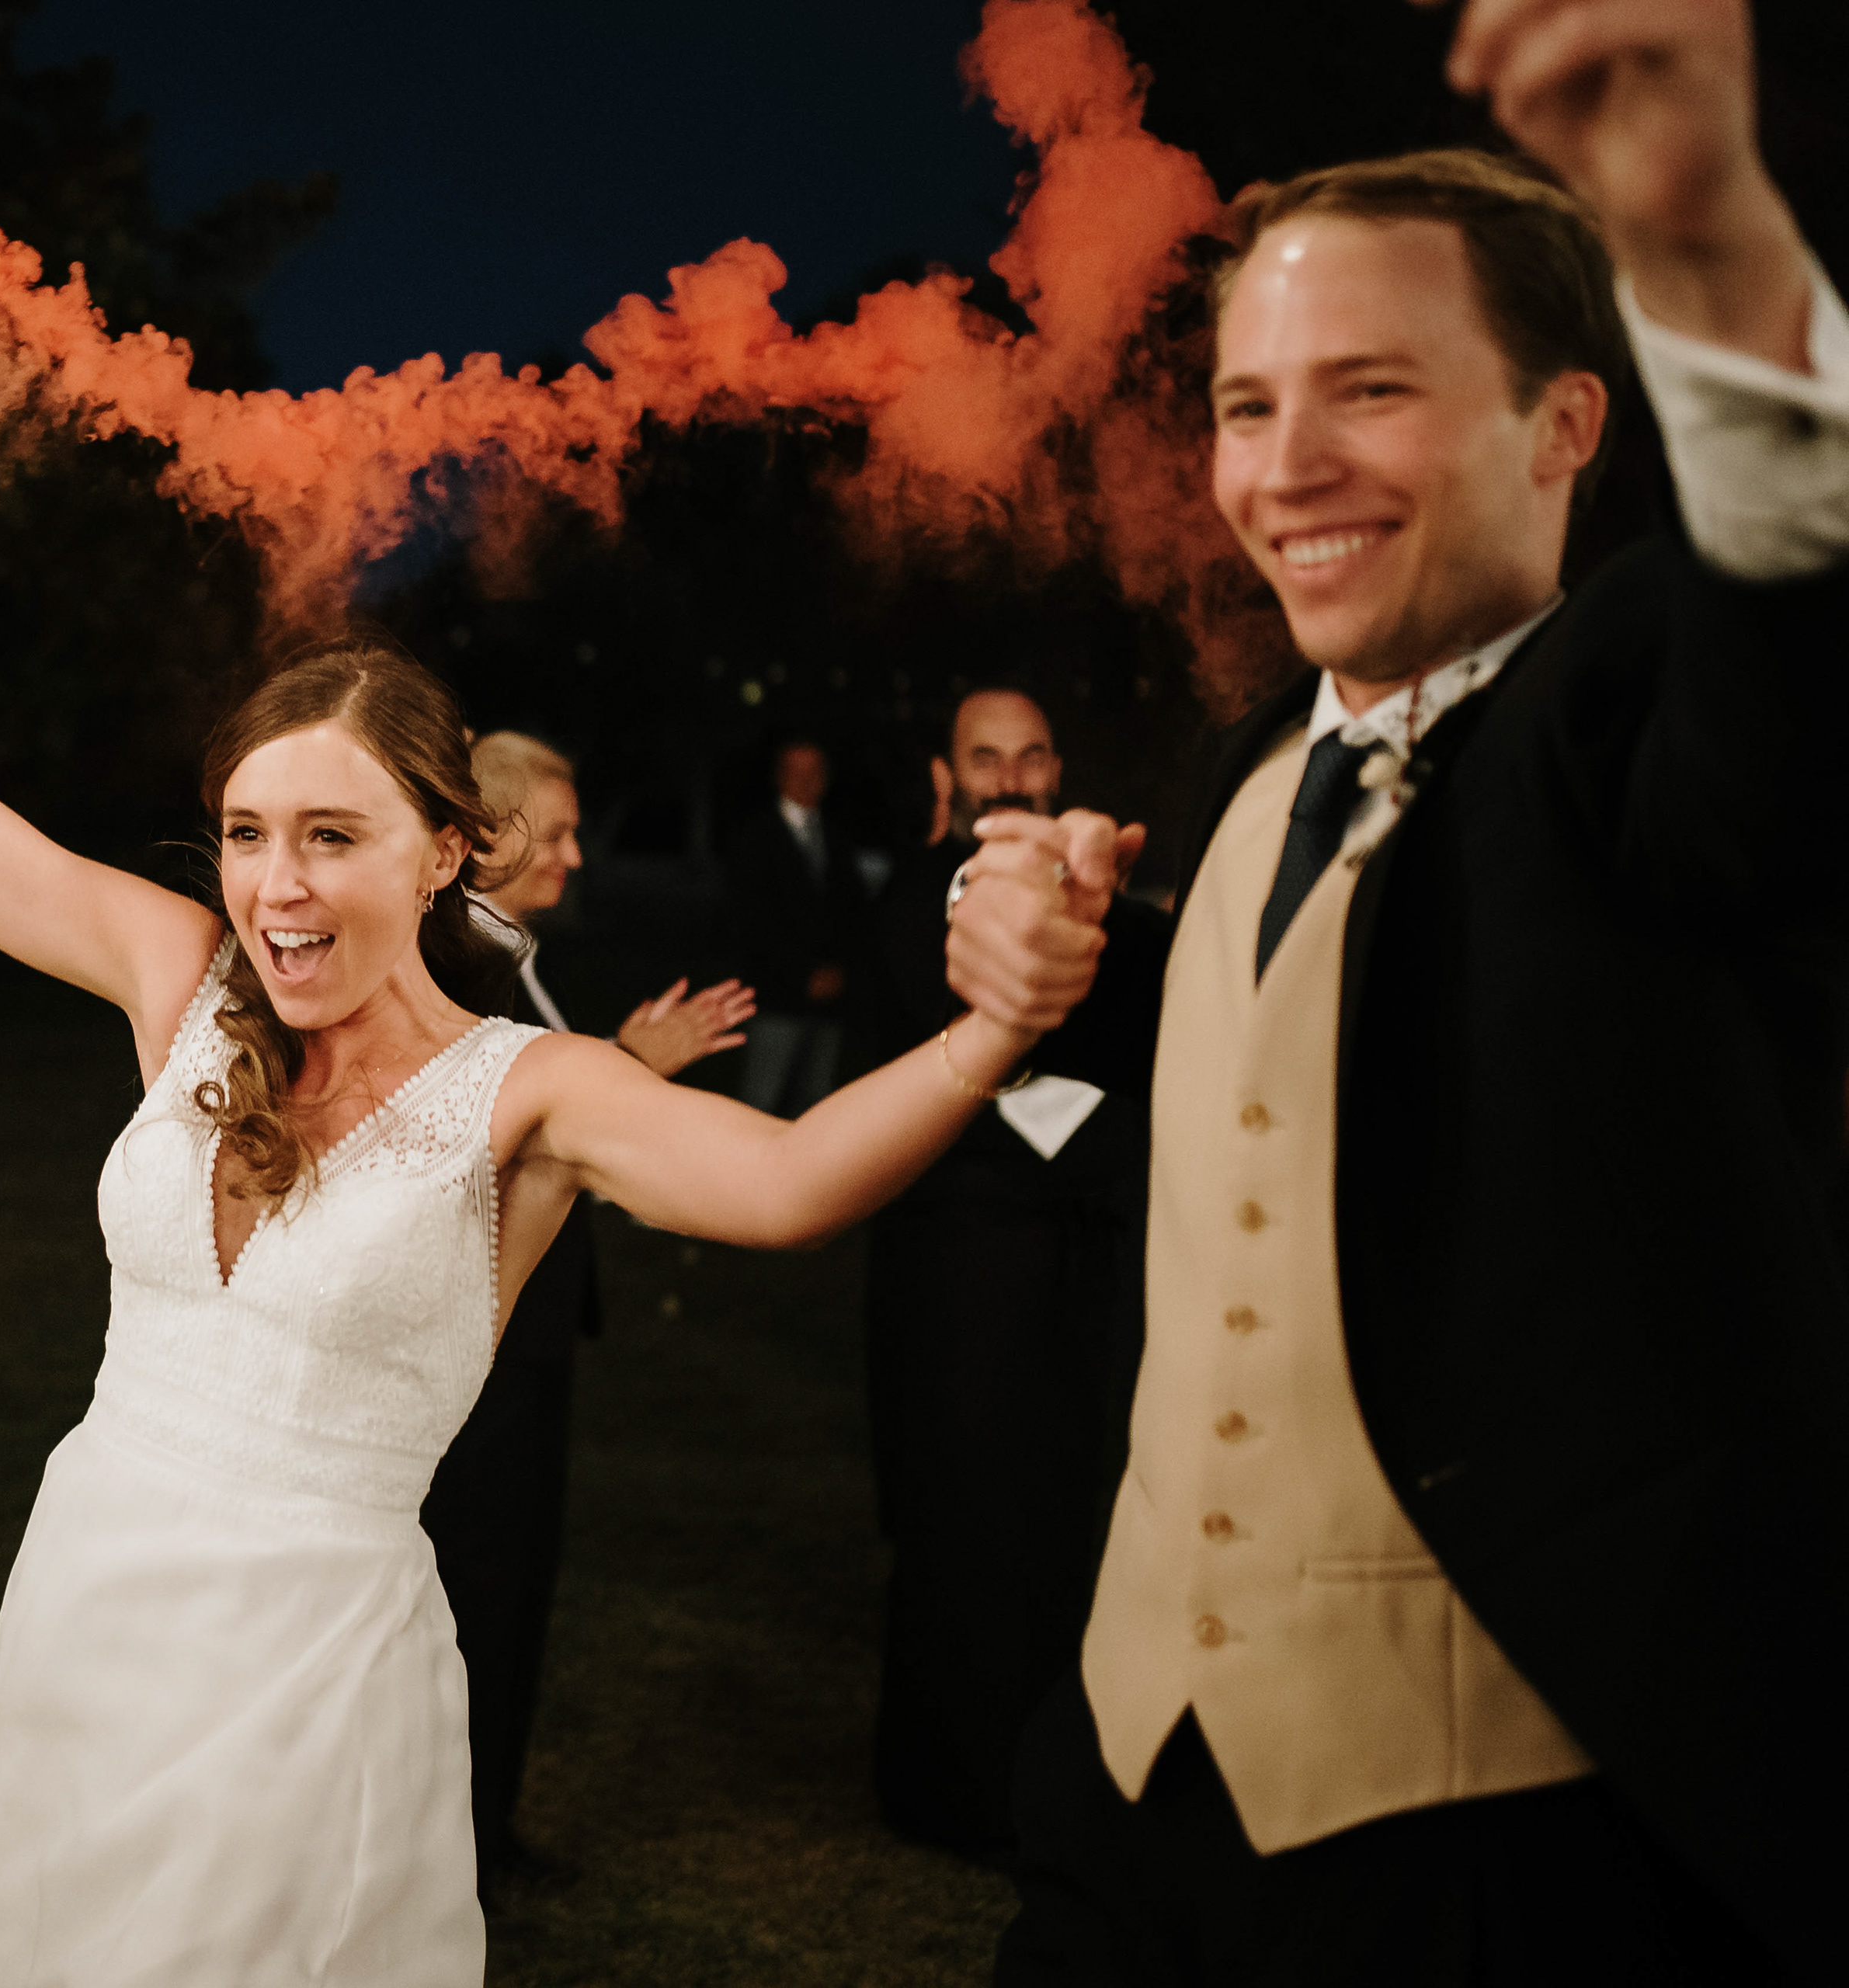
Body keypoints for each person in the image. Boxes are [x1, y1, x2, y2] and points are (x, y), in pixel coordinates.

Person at [0, 377, 1118, 1985]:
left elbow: (793, 1179)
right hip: (81, 1622)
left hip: (310, 1679)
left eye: (332, 834)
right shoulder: (181, 981)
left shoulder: (531, 1092)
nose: (277, 884)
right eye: (249, 832)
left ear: (444, 850)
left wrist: (997, 1026)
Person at [947, 1, 1849, 1977]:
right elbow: (1319, 1059)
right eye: (1246, 404)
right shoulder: (1245, 768)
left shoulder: (1629, 729)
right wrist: (1039, 955)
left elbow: (1787, 633)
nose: (1287, 468)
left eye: (1367, 391)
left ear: (1564, 424)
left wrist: (1718, 251)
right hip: (1117, 1800)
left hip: (1495, 1853)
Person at [420, 728, 754, 1909]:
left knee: (515, 1587)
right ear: (485, 836)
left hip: (529, 1333)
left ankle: (485, 1830)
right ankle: (455, 1849)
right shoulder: (456, 968)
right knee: (476, 1591)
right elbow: (478, 1138)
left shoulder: (512, 958)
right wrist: (629, 1065)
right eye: (555, 834)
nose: (574, 856)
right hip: (482, 1340)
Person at [860, 686, 1170, 1864]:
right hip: (960, 1269)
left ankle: (1052, 1769)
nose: (1010, 775)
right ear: (948, 779)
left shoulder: (1092, 905)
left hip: (1079, 1261)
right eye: (985, 757)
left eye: (1030, 754)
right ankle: (953, 1788)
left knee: (1062, 1516)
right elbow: (955, 1065)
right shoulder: (913, 900)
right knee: (964, 1514)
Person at [725, 739, 868, 1116]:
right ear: (779, 777)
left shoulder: (836, 837)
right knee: (761, 1102)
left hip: (831, 1001)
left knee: (817, 1104)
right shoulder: (756, 838)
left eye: (815, 772)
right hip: (778, 998)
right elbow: (751, 923)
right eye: (796, 772)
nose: (807, 781)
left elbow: (851, 913)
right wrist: (801, 976)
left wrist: (841, 971)